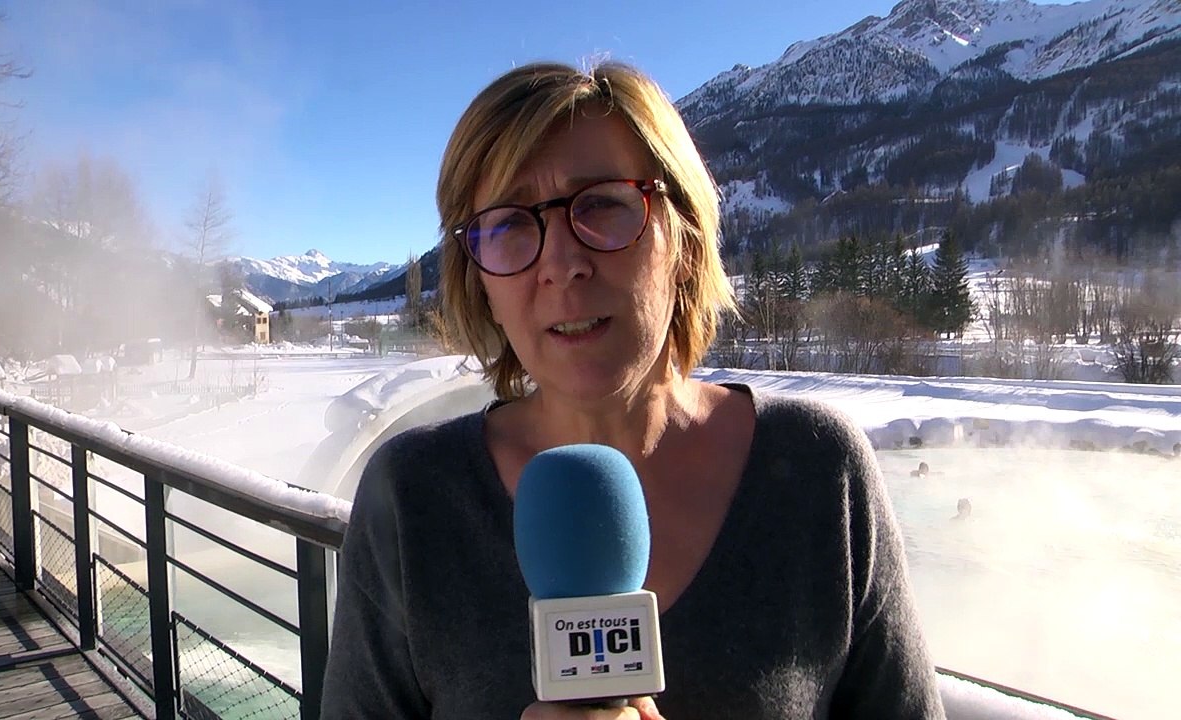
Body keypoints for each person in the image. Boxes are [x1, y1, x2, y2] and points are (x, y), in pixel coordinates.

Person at [320, 60, 945, 720]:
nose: (562, 266)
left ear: (682, 238)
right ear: (481, 283)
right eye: (508, 227)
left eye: (602, 207)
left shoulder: (820, 470)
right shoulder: (413, 494)